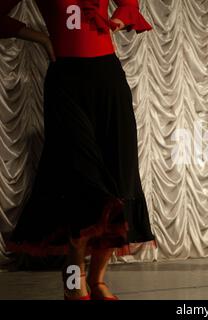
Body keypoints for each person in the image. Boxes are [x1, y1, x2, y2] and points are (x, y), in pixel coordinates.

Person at [1, 0, 154, 299]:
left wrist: (120, 19)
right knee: (80, 184)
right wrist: (43, 38)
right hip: (66, 81)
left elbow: (129, 3)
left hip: (108, 79)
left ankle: (97, 280)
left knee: (118, 179)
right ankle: (73, 279)